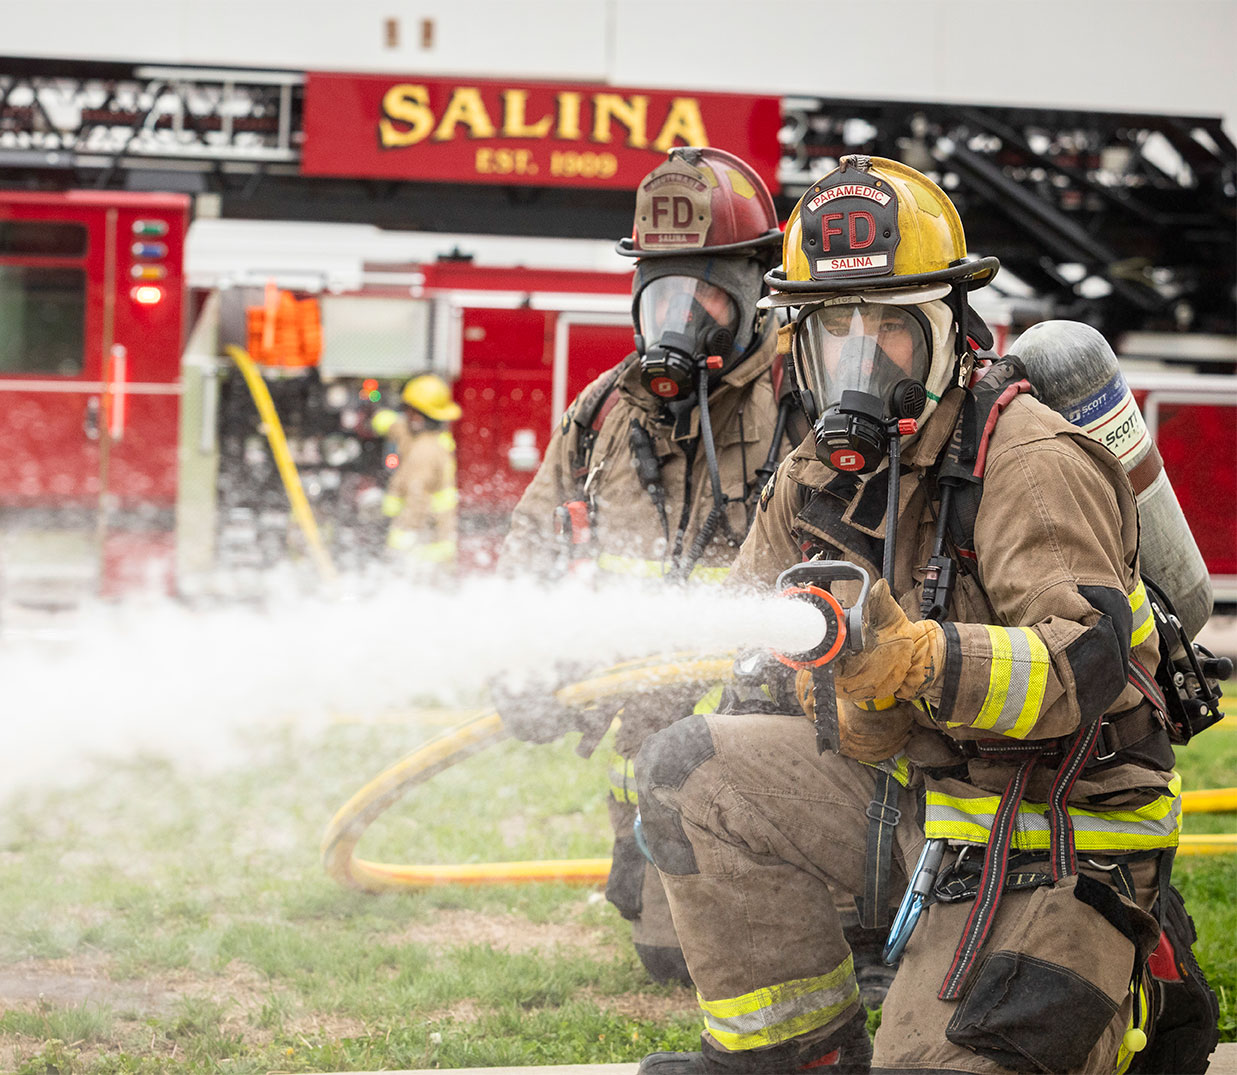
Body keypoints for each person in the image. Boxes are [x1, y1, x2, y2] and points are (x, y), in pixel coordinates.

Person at [633, 155, 1189, 1073]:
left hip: (1050, 829)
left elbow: (1081, 667)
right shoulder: (814, 475)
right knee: (693, 765)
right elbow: (738, 622)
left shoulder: (1028, 460)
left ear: (949, 332)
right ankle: (793, 1052)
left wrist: (918, 661)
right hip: (911, 804)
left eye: (889, 328)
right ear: (797, 345)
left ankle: (1134, 967)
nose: (858, 359)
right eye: (831, 331)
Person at [496, 147, 802, 987]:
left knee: (792, 940)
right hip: (647, 729)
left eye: (703, 291)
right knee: (668, 961)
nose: (680, 314)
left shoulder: (801, 405)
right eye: (660, 291)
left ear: (750, 290)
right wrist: (522, 662)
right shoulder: (602, 412)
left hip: (775, 721)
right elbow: (528, 550)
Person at [375, 373, 461, 573]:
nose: (405, 414)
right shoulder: (426, 437)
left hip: (423, 547)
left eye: (408, 410)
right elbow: (397, 429)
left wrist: (401, 541)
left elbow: (417, 498)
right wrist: (380, 419)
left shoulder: (424, 452)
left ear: (417, 415)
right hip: (432, 545)